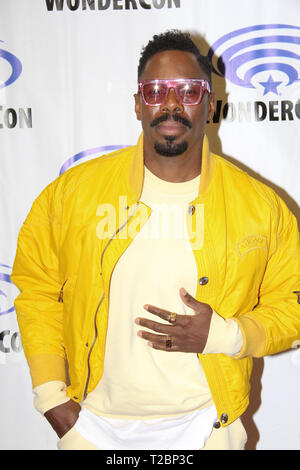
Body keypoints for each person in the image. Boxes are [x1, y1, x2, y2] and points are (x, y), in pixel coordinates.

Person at [11, 30, 300, 451]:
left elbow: (292, 304)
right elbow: (36, 291)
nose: (170, 103)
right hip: (93, 428)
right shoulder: (74, 193)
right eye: (155, 91)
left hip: (206, 428)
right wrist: (53, 398)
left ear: (209, 103)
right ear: (136, 104)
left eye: (186, 90)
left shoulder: (259, 206)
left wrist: (226, 335)